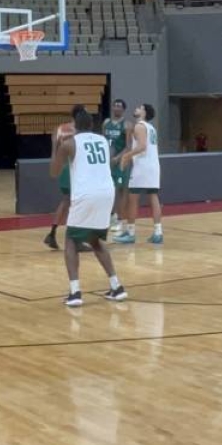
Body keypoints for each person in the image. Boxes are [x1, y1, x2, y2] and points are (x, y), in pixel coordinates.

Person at [50, 108, 128, 307]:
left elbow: (54, 172)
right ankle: (117, 286)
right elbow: (106, 163)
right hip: (107, 193)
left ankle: (75, 292)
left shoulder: (69, 143)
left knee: (70, 240)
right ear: (92, 125)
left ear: (75, 125)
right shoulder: (103, 141)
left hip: (86, 194)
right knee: (95, 240)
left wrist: (56, 146)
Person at [114, 104, 163, 245]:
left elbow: (142, 146)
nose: (136, 108)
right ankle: (158, 232)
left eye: (139, 108)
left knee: (132, 198)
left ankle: (130, 233)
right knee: (153, 197)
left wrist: (126, 156)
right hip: (153, 166)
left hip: (142, 167)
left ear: (144, 113)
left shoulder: (139, 126)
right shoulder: (151, 128)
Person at [45, 104, 86, 250]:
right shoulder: (80, 131)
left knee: (67, 201)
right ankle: (76, 239)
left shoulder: (59, 129)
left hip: (62, 168)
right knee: (76, 202)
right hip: (73, 169)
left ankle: (52, 233)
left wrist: (54, 167)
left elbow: (54, 152)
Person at [103, 99, 131, 233]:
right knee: (108, 190)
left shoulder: (126, 125)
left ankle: (120, 220)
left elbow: (128, 146)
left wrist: (117, 158)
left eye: (119, 106)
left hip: (120, 163)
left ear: (123, 109)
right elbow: (103, 141)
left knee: (120, 191)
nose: (116, 108)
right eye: (115, 105)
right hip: (107, 163)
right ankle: (110, 216)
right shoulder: (106, 123)